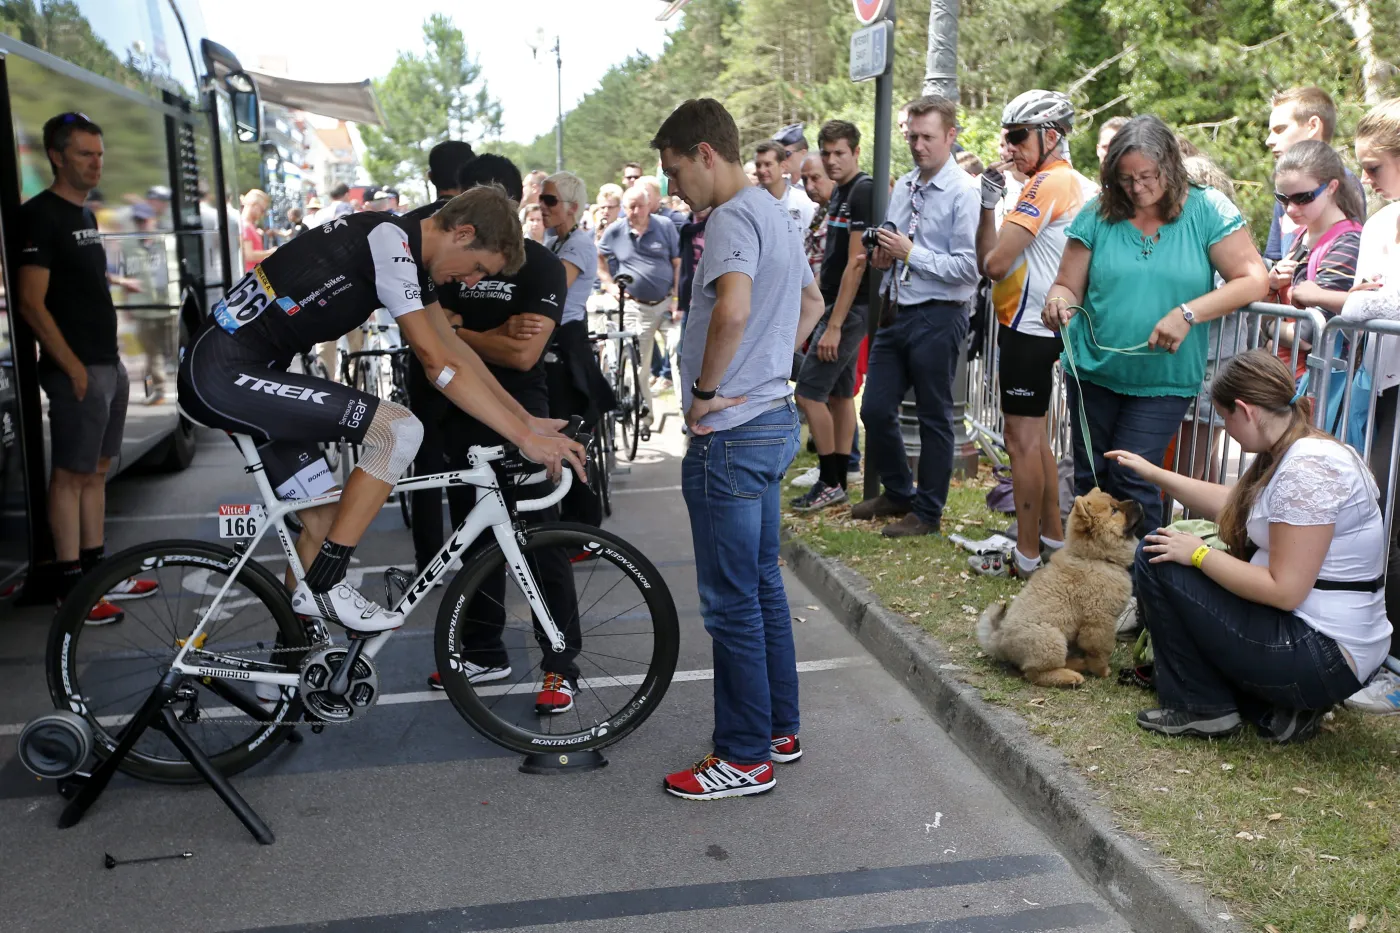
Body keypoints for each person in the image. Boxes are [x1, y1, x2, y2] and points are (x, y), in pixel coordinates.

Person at [177, 185, 585, 634]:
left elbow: (459, 352)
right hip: (221, 373)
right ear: (462, 233)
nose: (471, 283)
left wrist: (525, 421)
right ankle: (329, 582)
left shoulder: (408, 250)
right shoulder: (389, 244)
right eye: (477, 268)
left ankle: (289, 664)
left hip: (248, 370)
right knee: (398, 430)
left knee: (325, 519)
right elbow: (437, 364)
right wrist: (523, 438)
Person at [651, 97, 825, 800]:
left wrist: (706, 388)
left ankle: (745, 753)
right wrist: (764, 367)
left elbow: (734, 308)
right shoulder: (775, 214)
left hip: (733, 430)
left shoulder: (727, 218)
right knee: (758, 584)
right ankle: (777, 729)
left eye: (673, 171)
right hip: (772, 416)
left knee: (731, 600)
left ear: (704, 154)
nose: (671, 189)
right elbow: (809, 306)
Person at [1113, 349, 1392, 742]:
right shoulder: (1299, 446)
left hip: (1321, 654)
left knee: (1157, 556)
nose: (1225, 428)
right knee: (1170, 552)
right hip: (1324, 646)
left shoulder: (1306, 470)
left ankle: (1202, 706)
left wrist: (1198, 554)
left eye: (1225, 417)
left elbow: (1284, 590)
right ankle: (1273, 711)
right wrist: (1155, 474)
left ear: (1244, 410)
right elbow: (1237, 507)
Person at [1042, 115, 1269, 536]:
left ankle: (1143, 590)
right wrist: (1059, 302)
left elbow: (1254, 279)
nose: (1137, 188)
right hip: (1092, 371)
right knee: (1092, 484)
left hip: (1163, 377)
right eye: (1125, 178)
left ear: (1171, 166)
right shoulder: (1098, 213)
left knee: (1134, 480)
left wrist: (1188, 314)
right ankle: (1095, 586)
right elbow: (1066, 284)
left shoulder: (1207, 210)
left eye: (1147, 176)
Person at [416, 158, 583, 711]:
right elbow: (435, 344)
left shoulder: (540, 267)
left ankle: (561, 663)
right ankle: (485, 650)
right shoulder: (438, 256)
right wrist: (467, 334)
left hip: (520, 407)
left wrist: (459, 329)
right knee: (475, 533)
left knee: (540, 536)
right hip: (456, 407)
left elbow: (522, 351)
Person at [19, 109, 160, 621]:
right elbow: (31, 302)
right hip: (77, 369)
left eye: (99, 154)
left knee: (98, 472)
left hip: (107, 363)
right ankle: (73, 590)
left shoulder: (86, 215)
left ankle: (101, 578)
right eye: (84, 154)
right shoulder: (40, 215)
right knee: (71, 476)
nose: (95, 164)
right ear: (57, 156)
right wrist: (72, 367)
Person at [974, 91, 1096, 577]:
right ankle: (1048, 535)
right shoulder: (1061, 181)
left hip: (1028, 325)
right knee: (1037, 438)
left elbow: (996, 262)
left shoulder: (1048, 183)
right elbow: (991, 263)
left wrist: (992, 216)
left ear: (1051, 135)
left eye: (1017, 136)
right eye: (1006, 136)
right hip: (1035, 322)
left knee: (1020, 440)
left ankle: (1025, 556)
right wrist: (988, 207)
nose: (1009, 147)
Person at [848, 96, 980, 538]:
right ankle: (899, 492)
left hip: (939, 316)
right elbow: (894, 248)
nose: (918, 145)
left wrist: (911, 253)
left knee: (933, 416)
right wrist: (886, 256)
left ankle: (928, 512)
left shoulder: (964, 191)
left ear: (950, 136)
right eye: (912, 136)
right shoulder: (904, 185)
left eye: (927, 137)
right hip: (896, 309)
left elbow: (969, 268)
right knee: (875, 407)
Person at [397, 139, 480, 578]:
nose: (469, 276)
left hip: (425, 347)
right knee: (472, 458)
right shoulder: (470, 226)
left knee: (426, 461)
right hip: (449, 348)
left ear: (431, 177)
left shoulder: (412, 225)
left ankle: (428, 557)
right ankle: (476, 556)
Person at [789, 120, 873, 512]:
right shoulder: (839, 192)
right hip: (831, 304)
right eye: (827, 153)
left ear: (856, 152)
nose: (832, 160)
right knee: (840, 397)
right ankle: (838, 479)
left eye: (840, 152)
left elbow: (857, 264)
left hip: (847, 310)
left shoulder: (863, 190)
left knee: (808, 393)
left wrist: (834, 326)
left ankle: (828, 479)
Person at [542, 168, 616, 526]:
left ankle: (584, 527)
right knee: (562, 434)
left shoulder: (579, 244)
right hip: (555, 340)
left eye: (550, 200)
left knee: (572, 437)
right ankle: (571, 522)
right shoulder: (553, 240)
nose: (542, 206)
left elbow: (552, 289)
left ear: (571, 207)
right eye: (540, 199)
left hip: (568, 342)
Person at [1264, 140, 1365, 382]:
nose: (1290, 208)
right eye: (1283, 198)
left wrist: (1267, 325)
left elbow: (1307, 336)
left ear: (1331, 187)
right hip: (1287, 379)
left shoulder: (1347, 243)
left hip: (1317, 385)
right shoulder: (1301, 234)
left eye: (1303, 197)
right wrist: (1270, 285)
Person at [597, 184, 681, 430]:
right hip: (636, 307)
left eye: (640, 205)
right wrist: (609, 285)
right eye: (630, 207)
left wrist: (677, 298)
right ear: (623, 208)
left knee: (678, 353)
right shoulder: (615, 231)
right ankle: (644, 417)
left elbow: (678, 264)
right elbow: (599, 257)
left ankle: (686, 415)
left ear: (649, 205)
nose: (635, 211)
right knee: (640, 366)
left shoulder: (664, 226)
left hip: (667, 303)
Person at [1264, 87, 1365, 263]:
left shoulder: (1344, 181)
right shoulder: (1288, 185)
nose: (1269, 141)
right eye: (1284, 199)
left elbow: (1349, 258)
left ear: (1313, 126)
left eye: (1280, 129)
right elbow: (1273, 258)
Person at [753, 140, 816, 229]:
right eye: (758, 165)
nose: (762, 170)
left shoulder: (802, 201)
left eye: (768, 164)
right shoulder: (751, 203)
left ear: (783, 166)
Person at [240, 189, 275, 273]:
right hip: (251, 276)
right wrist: (270, 252)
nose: (262, 214)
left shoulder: (249, 225)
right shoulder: (246, 226)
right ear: (254, 205)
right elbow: (249, 255)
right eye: (262, 210)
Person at [774, 123, 809, 190]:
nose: (782, 159)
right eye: (778, 155)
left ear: (803, 153)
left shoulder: (815, 184)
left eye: (786, 154)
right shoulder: (779, 186)